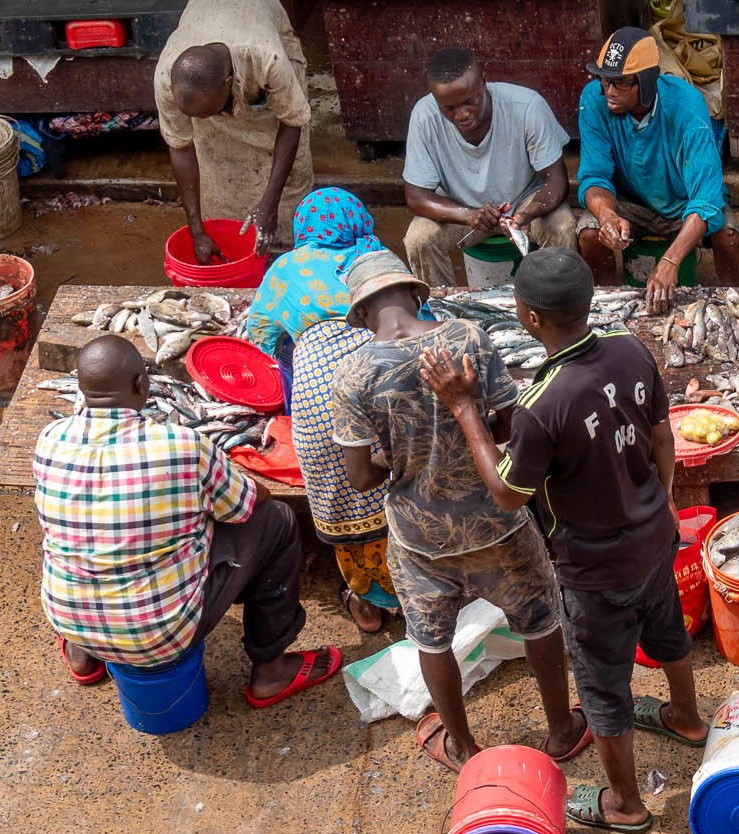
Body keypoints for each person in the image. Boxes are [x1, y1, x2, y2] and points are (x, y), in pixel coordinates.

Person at [420, 249, 708, 834]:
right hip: (655, 538)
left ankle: (625, 804)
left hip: (595, 569)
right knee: (667, 631)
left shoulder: (541, 404)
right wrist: (664, 500)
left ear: (529, 317)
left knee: (602, 686)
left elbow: (508, 493)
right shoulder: (631, 348)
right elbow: (662, 435)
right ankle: (686, 717)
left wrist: (464, 407)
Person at [330, 250, 587, 773]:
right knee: (539, 622)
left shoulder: (352, 376)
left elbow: (360, 477)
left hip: (420, 538)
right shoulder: (468, 337)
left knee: (433, 641)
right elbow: (509, 427)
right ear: (415, 293)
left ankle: (464, 748)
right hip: (497, 522)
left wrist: (395, 455)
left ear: (363, 312)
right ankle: (561, 730)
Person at [35, 334, 341, 706]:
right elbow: (246, 506)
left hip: (68, 619)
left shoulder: (50, 440)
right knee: (278, 521)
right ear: (141, 384)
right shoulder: (180, 446)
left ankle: (83, 656)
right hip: (162, 637)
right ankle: (271, 670)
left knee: (74, 533)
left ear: (83, 390)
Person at [576, 28, 739, 314]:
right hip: (631, 204)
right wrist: (607, 215)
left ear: (645, 82)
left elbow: (706, 199)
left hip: (683, 205)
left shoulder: (686, 104)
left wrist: (670, 261)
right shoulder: (594, 99)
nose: (609, 92)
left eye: (620, 83)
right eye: (604, 80)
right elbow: (594, 176)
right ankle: (607, 305)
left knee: (728, 237)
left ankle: (736, 307)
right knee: (590, 233)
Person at [402, 47, 590, 286]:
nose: (461, 114)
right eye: (448, 108)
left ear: (483, 82)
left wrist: (528, 214)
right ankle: (441, 307)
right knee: (419, 239)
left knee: (561, 226)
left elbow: (556, 180)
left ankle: (560, 301)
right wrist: (469, 215)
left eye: (469, 102)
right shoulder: (424, 116)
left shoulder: (527, 106)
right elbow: (416, 197)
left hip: (523, 200)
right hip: (460, 207)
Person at [154, 0, 314, 258]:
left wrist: (270, 204)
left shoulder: (268, 58)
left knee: (289, 189)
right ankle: (229, 240)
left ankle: (285, 248)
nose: (205, 120)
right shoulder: (166, 79)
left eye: (208, 113)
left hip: (257, 6)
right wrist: (196, 231)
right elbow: (180, 146)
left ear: (227, 83)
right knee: (215, 168)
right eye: (197, 117)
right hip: (205, 6)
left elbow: (292, 121)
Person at [291, 315, 392, 633]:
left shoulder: (280, 297)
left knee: (345, 499)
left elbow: (265, 351)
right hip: (379, 420)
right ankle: (409, 599)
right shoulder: (395, 313)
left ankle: (366, 602)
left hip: (324, 427)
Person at [244, 188, 382, 359]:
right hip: (383, 359)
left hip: (318, 369)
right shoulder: (377, 255)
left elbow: (260, 329)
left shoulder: (285, 266)